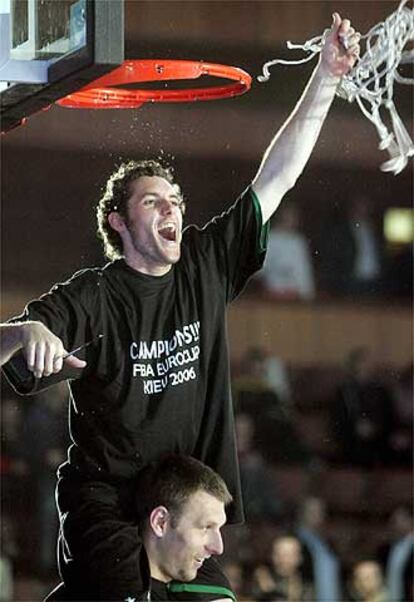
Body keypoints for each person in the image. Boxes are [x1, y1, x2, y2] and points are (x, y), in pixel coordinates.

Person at [0, 13, 360, 601]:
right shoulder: (96, 294)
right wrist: (24, 332)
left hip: (189, 509)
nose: (172, 209)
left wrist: (325, 76)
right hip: (112, 509)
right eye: (153, 201)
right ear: (119, 222)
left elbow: (278, 177)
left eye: (175, 199)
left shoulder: (205, 263)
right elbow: (12, 340)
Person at [47, 454, 234, 601]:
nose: (218, 547)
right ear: (160, 522)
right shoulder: (86, 593)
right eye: (206, 527)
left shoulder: (210, 589)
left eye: (219, 528)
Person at [259, 203, 315, 300]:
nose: (291, 220)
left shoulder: (298, 240)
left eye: (293, 217)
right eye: (288, 216)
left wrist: (308, 292)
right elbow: (260, 267)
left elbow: (303, 269)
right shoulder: (270, 238)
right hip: (273, 292)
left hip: (295, 295)